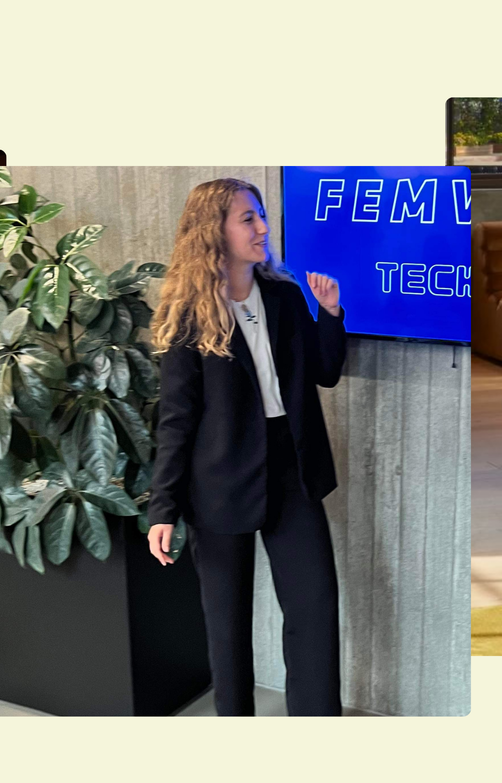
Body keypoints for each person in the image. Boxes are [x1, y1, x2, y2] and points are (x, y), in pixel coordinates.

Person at [144, 179, 348, 716]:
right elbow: (176, 421)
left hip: (293, 468)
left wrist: (329, 315)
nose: (262, 229)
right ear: (214, 232)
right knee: (227, 623)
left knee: (314, 608)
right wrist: (162, 508)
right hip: (218, 480)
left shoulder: (282, 295)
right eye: (248, 219)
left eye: (260, 217)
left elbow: (324, 373)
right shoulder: (190, 315)